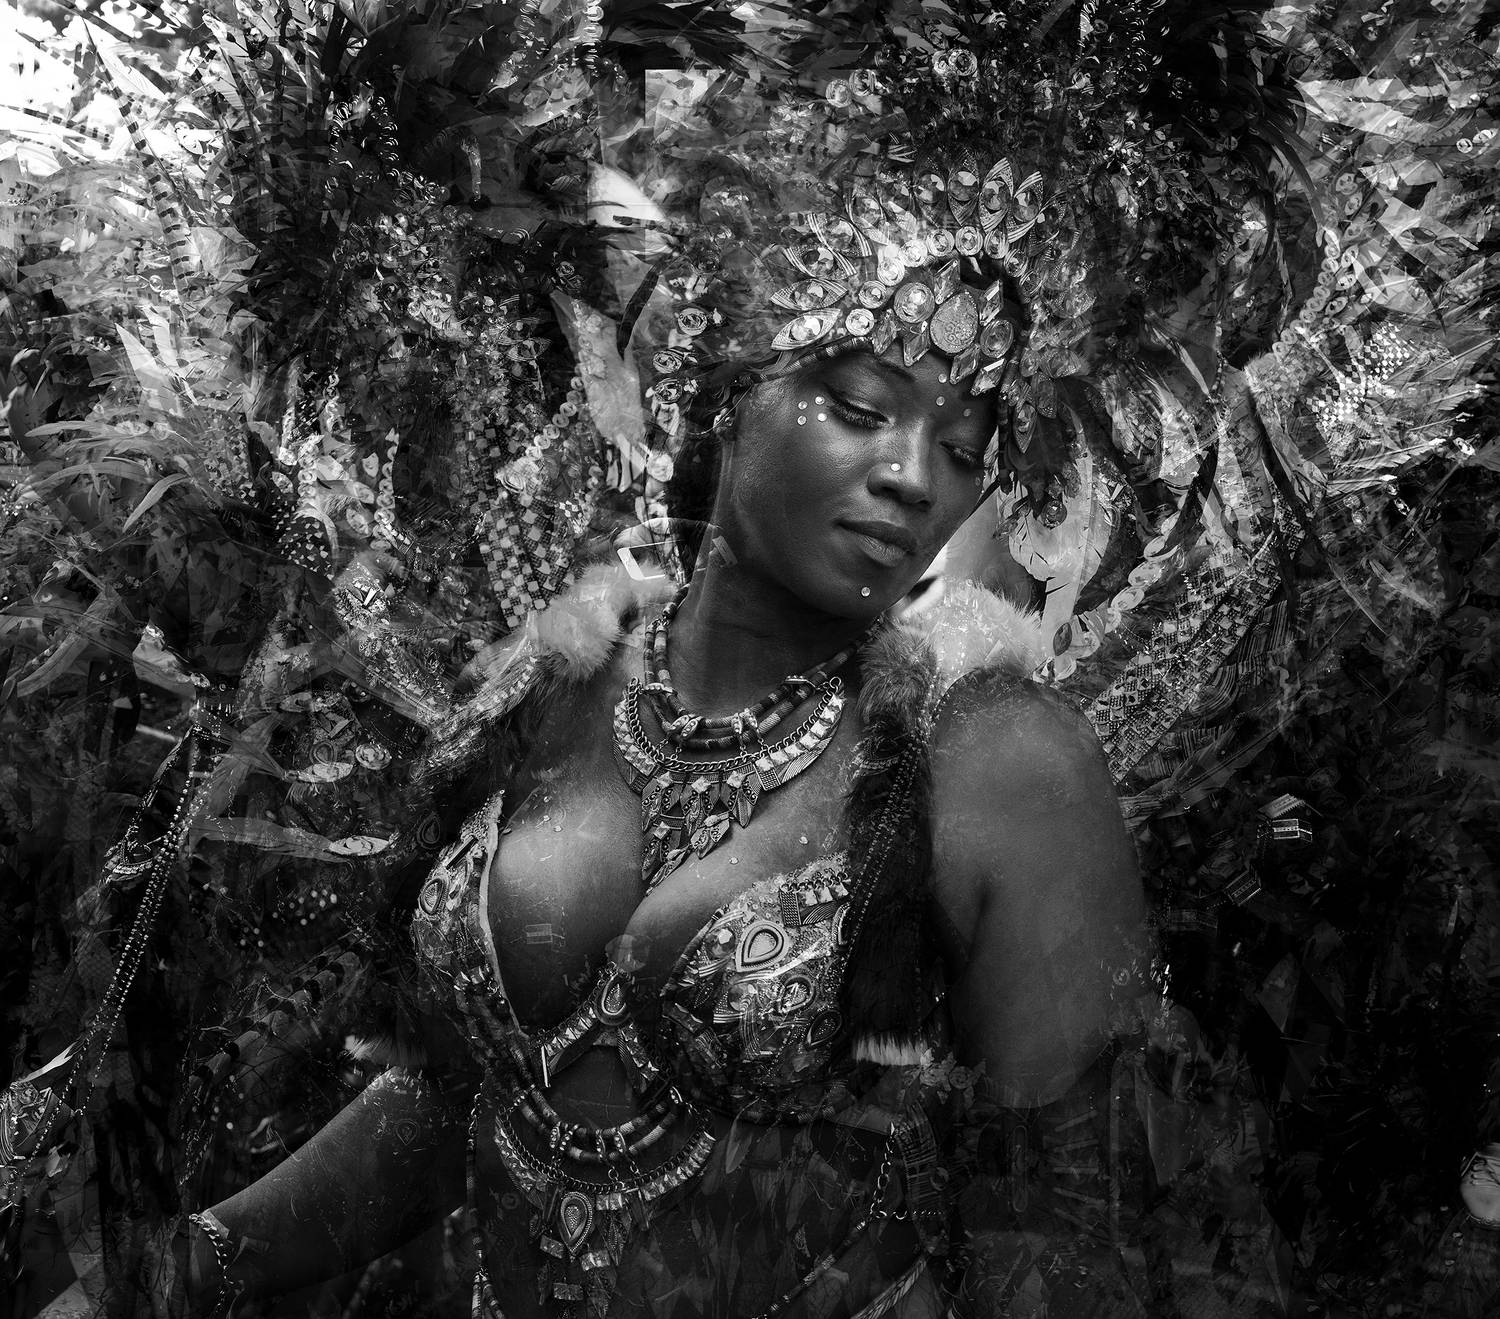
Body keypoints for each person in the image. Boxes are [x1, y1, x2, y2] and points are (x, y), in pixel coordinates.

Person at [177, 130, 1156, 1315]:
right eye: (860, 407)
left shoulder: (994, 756)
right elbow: (460, 1096)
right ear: (727, 391)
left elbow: (1064, 1235)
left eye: (960, 448)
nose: (913, 475)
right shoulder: (559, 677)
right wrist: (197, 1260)